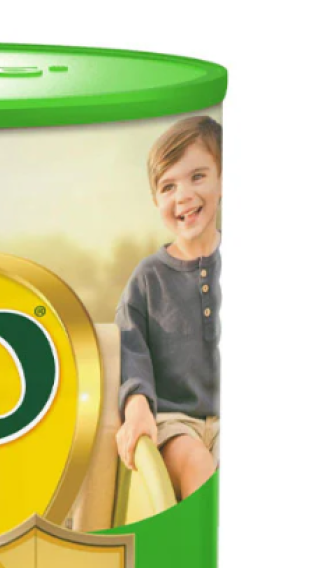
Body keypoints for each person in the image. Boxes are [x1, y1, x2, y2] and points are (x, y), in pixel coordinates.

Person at [115, 116, 222, 500]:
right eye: (168, 186)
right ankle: (196, 541)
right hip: (175, 422)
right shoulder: (148, 278)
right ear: (156, 201)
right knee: (196, 463)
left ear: (223, 179)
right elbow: (130, 349)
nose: (183, 196)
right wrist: (137, 407)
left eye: (198, 176)